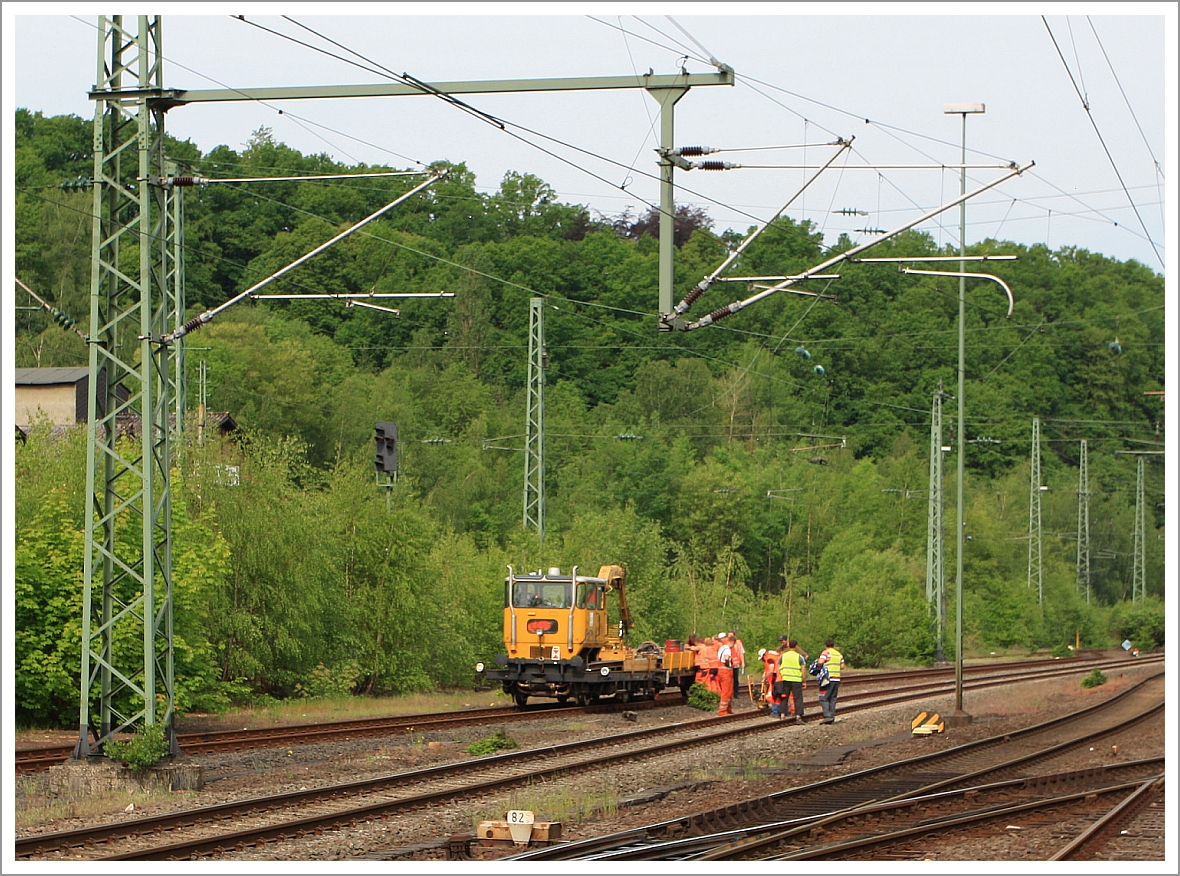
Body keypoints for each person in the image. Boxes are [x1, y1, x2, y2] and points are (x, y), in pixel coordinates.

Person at [815, 637, 845, 724]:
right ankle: (831, 716)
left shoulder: (826, 652)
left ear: (825, 645)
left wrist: (818, 665)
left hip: (827, 679)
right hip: (837, 678)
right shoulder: (838, 654)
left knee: (823, 698)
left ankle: (827, 716)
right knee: (833, 698)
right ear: (833, 645)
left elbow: (820, 662)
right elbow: (842, 666)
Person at [778, 638, 807, 724]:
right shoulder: (799, 657)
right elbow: (803, 670)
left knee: (784, 697)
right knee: (798, 698)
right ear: (796, 646)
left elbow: (778, 667)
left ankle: (782, 714)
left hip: (785, 679)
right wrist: (804, 681)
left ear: (788, 645)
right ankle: (798, 716)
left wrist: (779, 678)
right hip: (796, 680)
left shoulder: (783, 656)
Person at [758, 647, 782, 717]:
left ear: (763, 655)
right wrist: (765, 674)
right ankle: (785, 711)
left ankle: (775, 712)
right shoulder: (775, 655)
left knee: (775, 695)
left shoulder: (769, 659)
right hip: (782, 676)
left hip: (776, 677)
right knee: (783, 695)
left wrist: (765, 678)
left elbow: (771, 670)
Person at [715, 633, 735, 715]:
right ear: (732, 642)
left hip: (720, 670)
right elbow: (727, 658)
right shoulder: (727, 649)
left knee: (727, 691)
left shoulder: (721, 648)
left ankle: (728, 709)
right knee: (727, 691)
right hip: (726, 671)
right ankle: (722, 711)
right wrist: (729, 664)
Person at [728, 630, 746, 704]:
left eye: (731, 635)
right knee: (729, 680)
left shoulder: (738, 643)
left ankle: (736, 693)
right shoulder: (726, 643)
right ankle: (730, 694)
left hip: (736, 664)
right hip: (729, 664)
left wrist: (743, 662)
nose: (730, 637)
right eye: (729, 635)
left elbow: (741, 653)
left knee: (735, 680)